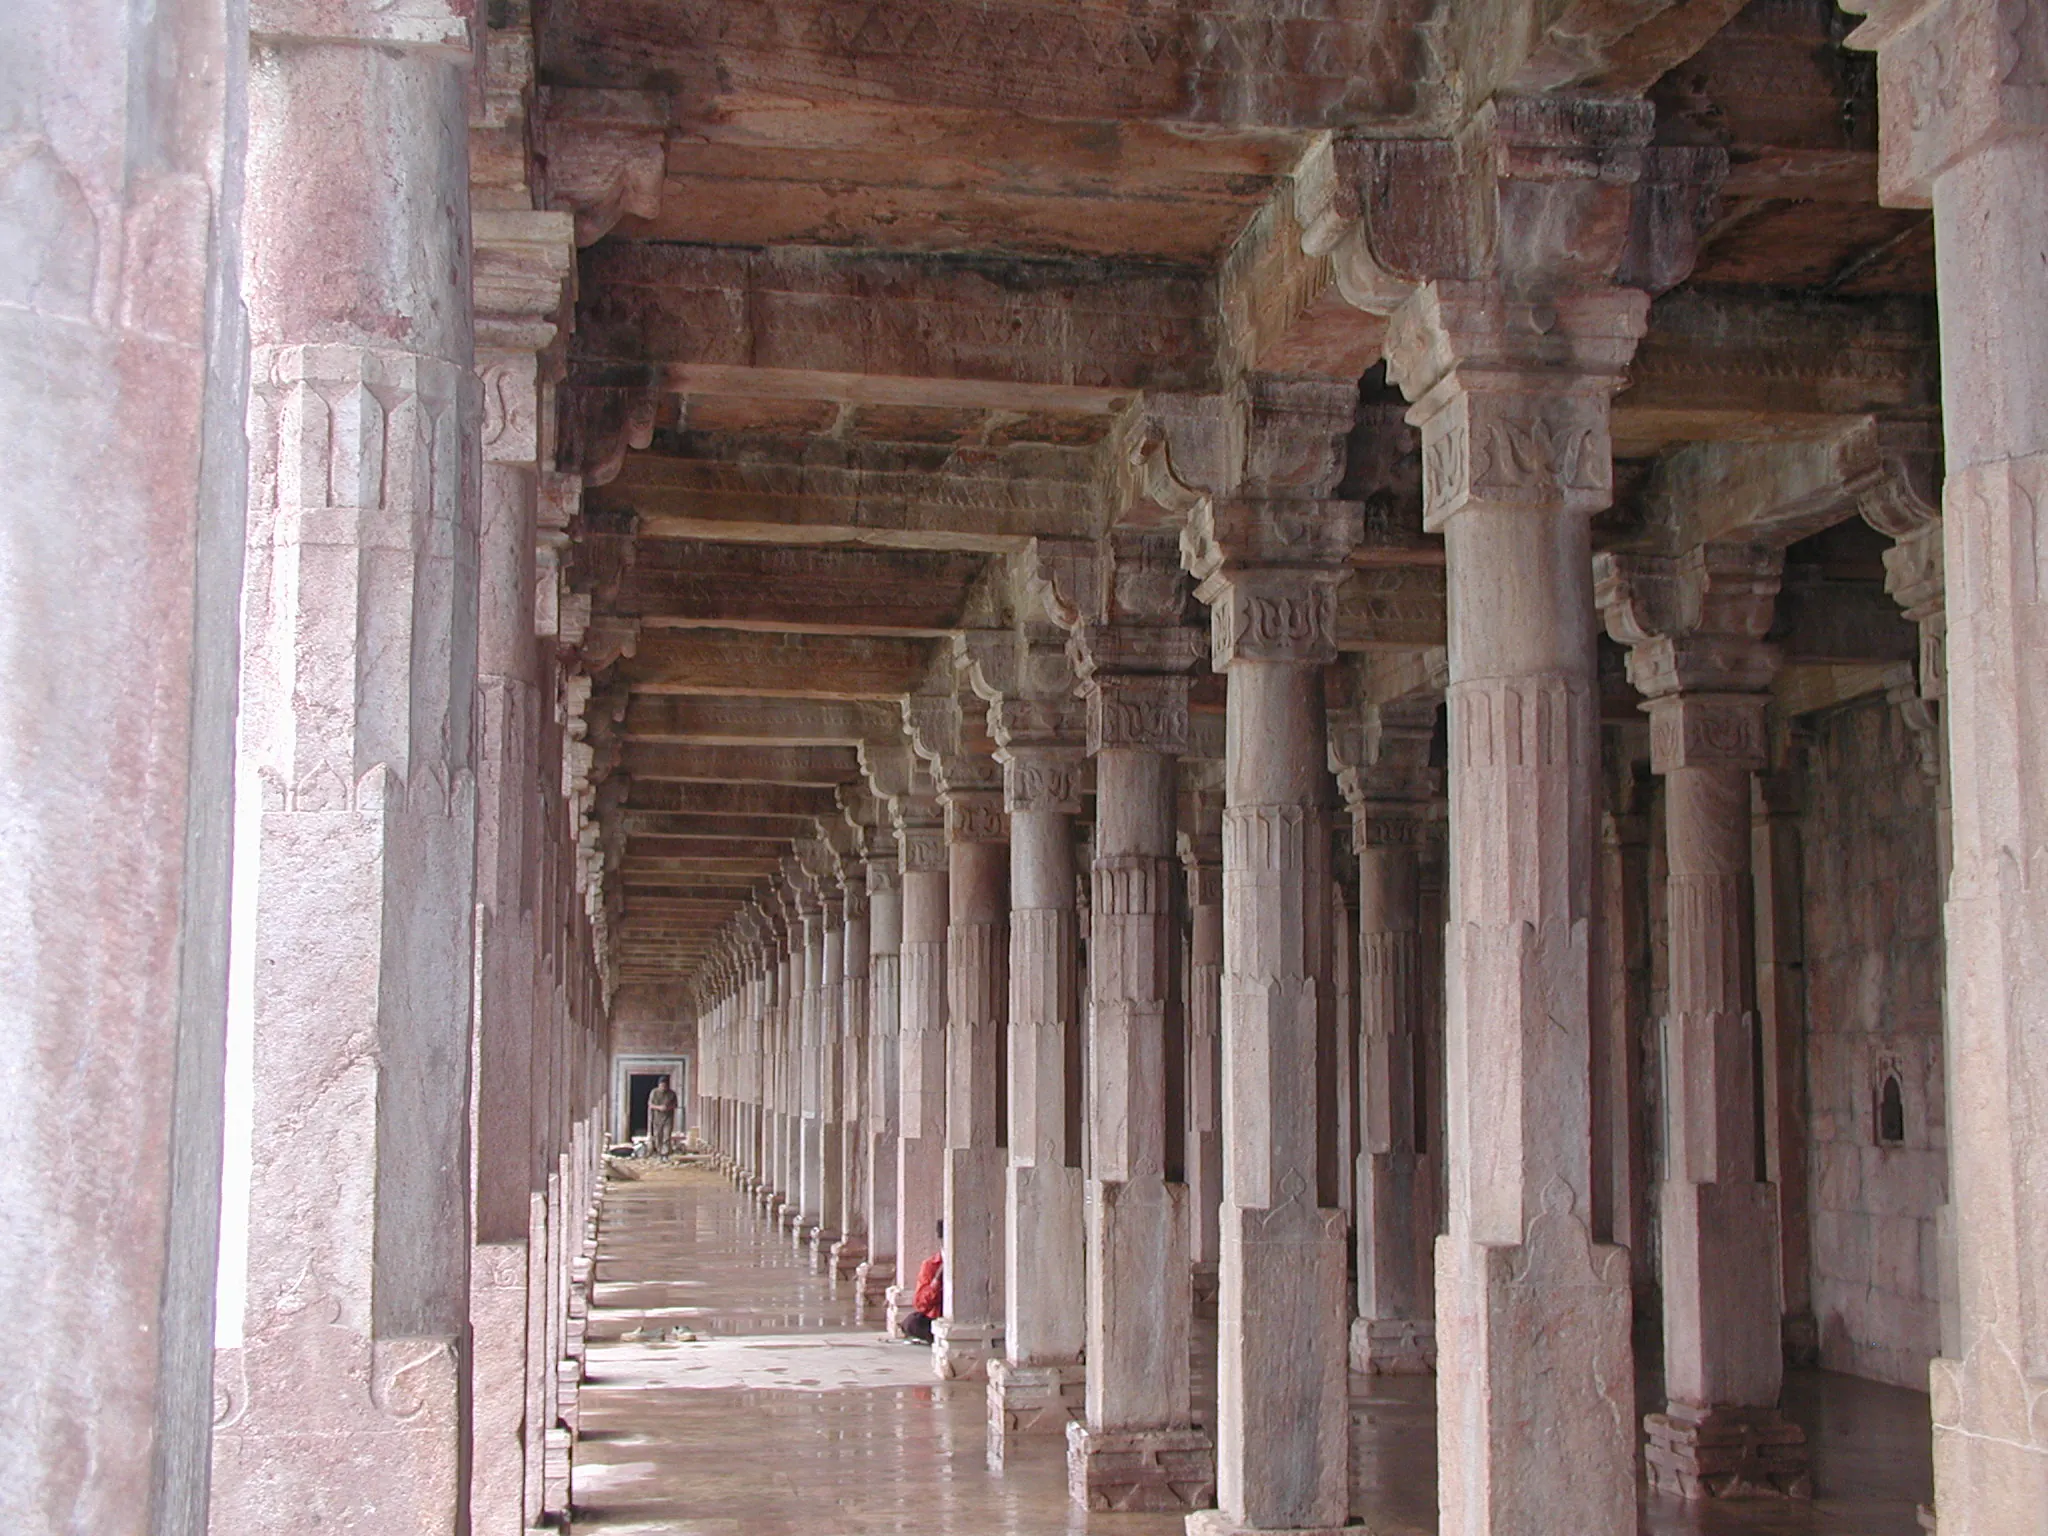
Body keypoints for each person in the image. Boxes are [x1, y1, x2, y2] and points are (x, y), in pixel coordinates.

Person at [903, 1220, 943, 1344]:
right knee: (912, 1322)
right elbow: (920, 1304)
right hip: (936, 1316)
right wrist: (936, 1281)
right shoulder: (930, 1265)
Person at [645, 1076, 678, 1157]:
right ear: (659, 1085)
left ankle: (666, 1153)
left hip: (668, 1118)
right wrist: (659, 1107)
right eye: (661, 1086)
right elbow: (650, 1104)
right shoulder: (654, 1092)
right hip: (657, 1118)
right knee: (658, 1136)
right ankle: (659, 1152)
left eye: (665, 1086)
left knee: (667, 1136)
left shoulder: (672, 1093)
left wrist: (668, 1107)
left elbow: (675, 1105)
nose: (663, 1088)